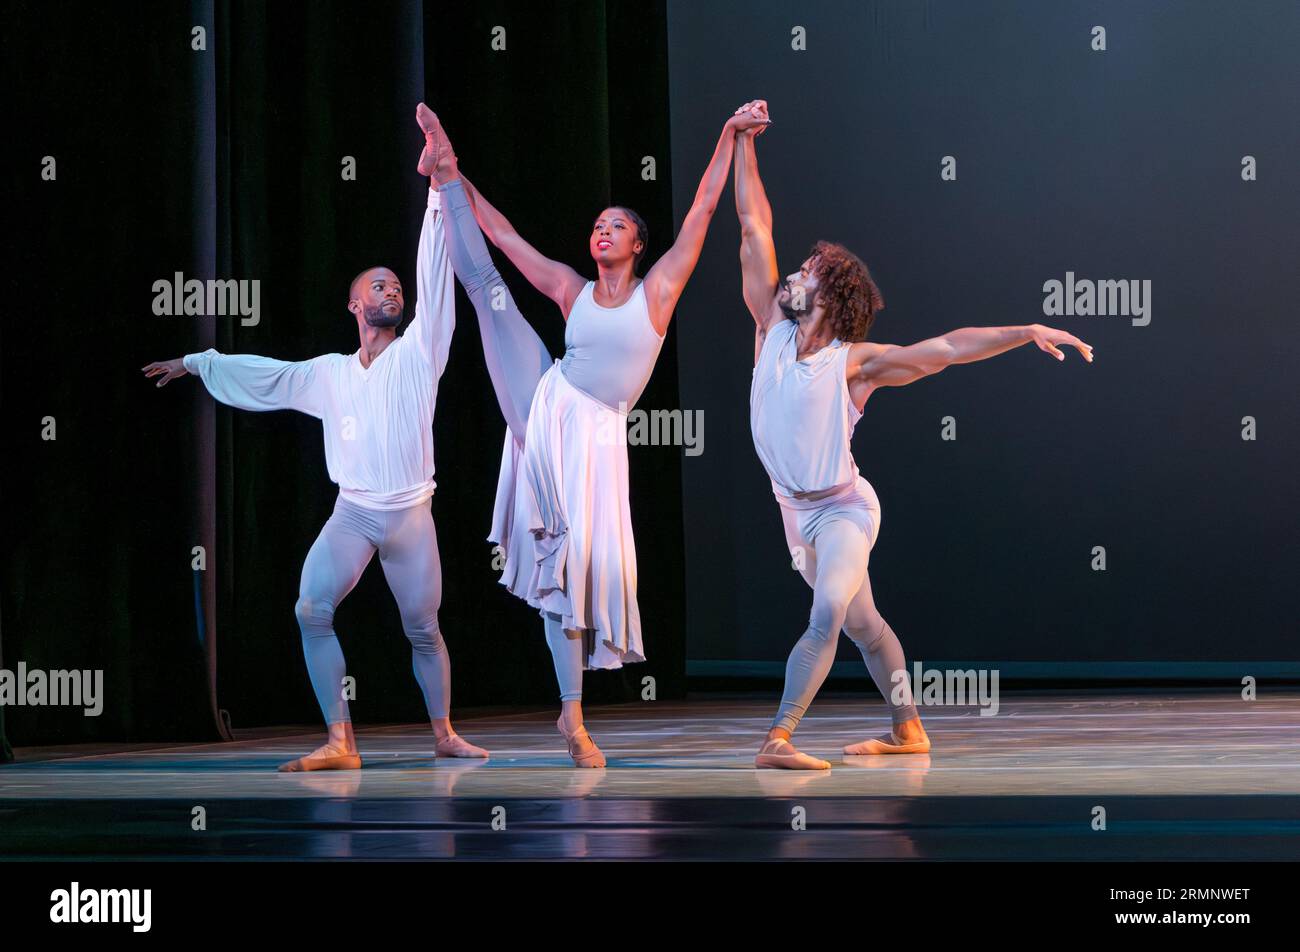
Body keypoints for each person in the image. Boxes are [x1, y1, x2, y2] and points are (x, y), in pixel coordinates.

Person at [732, 100, 1094, 769]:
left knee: (829, 616)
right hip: (793, 513)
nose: (792, 273)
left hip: (842, 510)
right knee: (867, 625)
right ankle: (908, 729)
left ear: (829, 295)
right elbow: (755, 226)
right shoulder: (770, 329)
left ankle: (777, 739)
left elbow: (949, 347)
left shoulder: (855, 364)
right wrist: (739, 141)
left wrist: (1026, 331)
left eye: (806, 270)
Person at [412, 100, 769, 766]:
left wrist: (728, 132)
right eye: (598, 225)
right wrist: (454, 177)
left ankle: (570, 720)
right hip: (547, 400)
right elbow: (505, 238)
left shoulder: (656, 291)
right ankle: (447, 167)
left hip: (596, 446)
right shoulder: (571, 289)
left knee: (568, 582)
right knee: (486, 281)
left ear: (638, 244)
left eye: (617, 227)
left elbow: (702, 212)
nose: (602, 231)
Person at [141, 155, 489, 771]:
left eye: (396, 286)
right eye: (378, 285)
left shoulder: (419, 353)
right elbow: (269, 377)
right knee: (310, 608)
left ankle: (443, 733)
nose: (392, 290)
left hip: (410, 516)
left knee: (422, 628)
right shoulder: (329, 374)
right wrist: (199, 362)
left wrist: (438, 198)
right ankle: (340, 741)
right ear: (354, 305)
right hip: (353, 514)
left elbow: (436, 285)